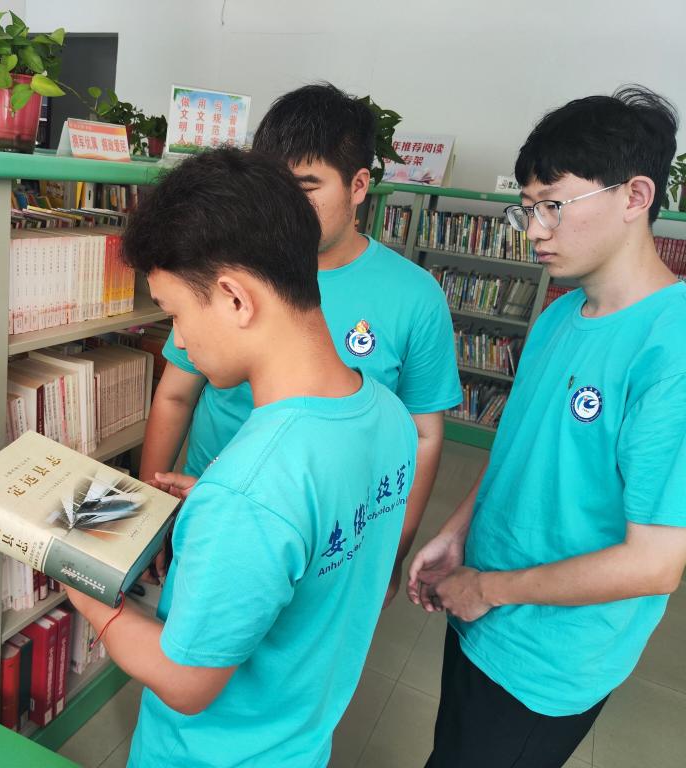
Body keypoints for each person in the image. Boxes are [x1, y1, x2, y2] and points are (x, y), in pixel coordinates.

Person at [64, 148, 417, 768]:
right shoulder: (387, 413)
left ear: (234, 298)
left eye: (175, 314)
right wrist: (220, 506)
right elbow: (315, 534)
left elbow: (187, 683)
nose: (181, 339)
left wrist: (85, 592)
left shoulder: (250, 491)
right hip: (301, 743)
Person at [408, 86, 686, 768]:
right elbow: (521, 448)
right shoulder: (561, 314)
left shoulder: (671, 350)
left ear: (635, 195)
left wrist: (488, 589)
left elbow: (655, 565)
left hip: (547, 660)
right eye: (527, 208)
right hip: (480, 608)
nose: (534, 230)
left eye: (553, 205)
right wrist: (458, 532)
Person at [138, 83, 460, 603]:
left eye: (307, 186)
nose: (286, 206)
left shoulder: (414, 296)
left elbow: (422, 435)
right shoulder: (229, 266)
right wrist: (152, 512)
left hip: (319, 534)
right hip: (211, 510)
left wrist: (390, 550)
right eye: (275, 187)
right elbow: (175, 394)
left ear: (358, 185)